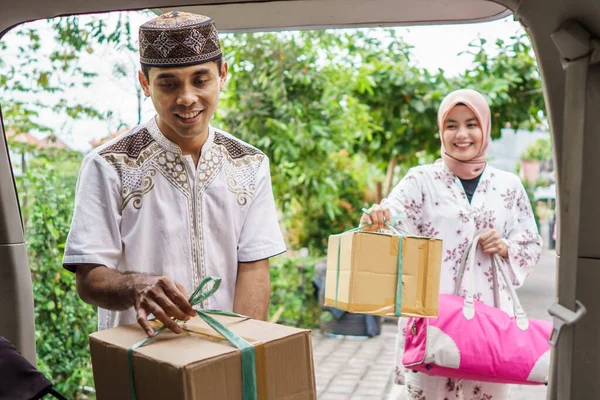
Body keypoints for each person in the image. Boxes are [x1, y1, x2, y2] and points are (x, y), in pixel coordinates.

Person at [62, 11, 286, 337]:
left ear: (222, 75)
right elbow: (89, 278)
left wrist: (242, 352)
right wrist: (135, 285)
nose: (186, 98)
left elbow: (253, 267)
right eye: (168, 83)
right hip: (143, 357)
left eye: (200, 79)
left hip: (224, 353)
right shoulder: (109, 164)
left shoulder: (250, 163)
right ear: (145, 84)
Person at [362, 89, 542, 399]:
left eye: (471, 124)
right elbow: (392, 227)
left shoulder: (508, 186)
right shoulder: (420, 180)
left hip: (489, 321)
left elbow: (531, 245)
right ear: (440, 130)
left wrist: (504, 246)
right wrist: (377, 219)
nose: (462, 134)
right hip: (432, 320)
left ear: (484, 128)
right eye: (451, 125)